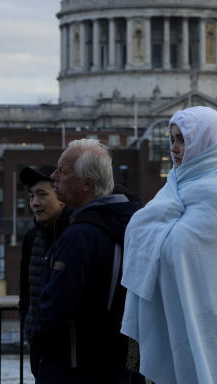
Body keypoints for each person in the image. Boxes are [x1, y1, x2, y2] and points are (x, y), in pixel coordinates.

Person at [120, 106, 217, 384]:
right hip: (180, 309)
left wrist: (153, 231)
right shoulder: (177, 182)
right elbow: (145, 232)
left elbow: (178, 248)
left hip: (214, 313)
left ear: (205, 142)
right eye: (171, 139)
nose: (174, 148)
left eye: (183, 140)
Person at [30, 140, 141, 384]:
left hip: (73, 368)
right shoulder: (131, 228)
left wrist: (38, 353)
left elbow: (56, 309)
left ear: (88, 183)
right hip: (115, 368)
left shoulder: (79, 236)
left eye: (63, 171)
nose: (54, 176)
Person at [18, 165, 71, 360]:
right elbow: (26, 295)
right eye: (31, 196)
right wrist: (29, 331)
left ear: (61, 196)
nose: (35, 203)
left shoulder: (77, 235)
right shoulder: (32, 238)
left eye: (42, 195)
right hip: (39, 348)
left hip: (71, 353)